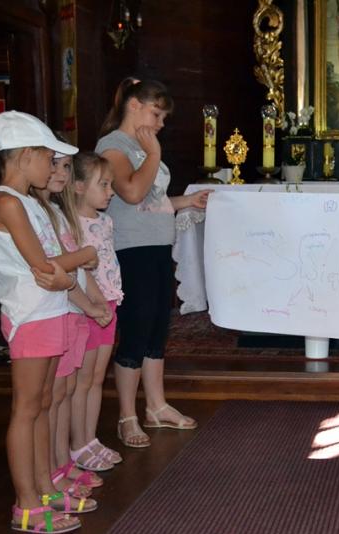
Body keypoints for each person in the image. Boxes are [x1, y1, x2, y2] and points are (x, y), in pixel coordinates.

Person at [0, 110, 98, 534]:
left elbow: (53, 268)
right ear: (25, 155)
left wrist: (63, 273)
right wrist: (84, 256)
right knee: (27, 409)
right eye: (49, 158)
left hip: (50, 311)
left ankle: (45, 488)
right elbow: (43, 266)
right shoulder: (6, 202)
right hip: (29, 315)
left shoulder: (29, 201)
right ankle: (26, 504)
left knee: (43, 403)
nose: (53, 167)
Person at [96, 78, 210, 448]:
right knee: (136, 329)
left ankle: (156, 406)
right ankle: (127, 415)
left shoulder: (142, 146)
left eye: (163, 117)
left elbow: (151, 200)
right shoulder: (113, 146)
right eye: (156, 114)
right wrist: (154, 155)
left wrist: (186, 202)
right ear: (134, 105)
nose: (160, 123)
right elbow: (131, 192)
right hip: (131, 251)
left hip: (157, 247)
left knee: (157, 329)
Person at [32, 151, 112, 497]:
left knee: (62, 392)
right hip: (52, 311)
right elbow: (58, 267)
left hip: (72, 311)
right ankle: (50, 471)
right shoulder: (37, 213)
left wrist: (95, 301)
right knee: (48, 398)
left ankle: (62, 462)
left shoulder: (56, 215)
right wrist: (88, 301)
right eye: (55, 164)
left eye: (65, 165)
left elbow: (79, 270)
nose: (60, 172)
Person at [73, 152, 125, 469]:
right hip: (87, 307)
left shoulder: (105, 221)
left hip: (109, 304)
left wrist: (109, 300)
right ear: (79, 186)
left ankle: (90, 439)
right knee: (82, 379)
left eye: (111, 184)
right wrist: (94, 303)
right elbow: (81, 270)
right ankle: (77, 444)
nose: (110, 192)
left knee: (96, 378)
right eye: (103, 185)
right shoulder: (70, 224)